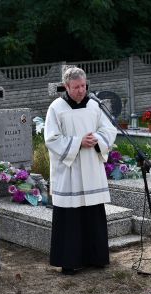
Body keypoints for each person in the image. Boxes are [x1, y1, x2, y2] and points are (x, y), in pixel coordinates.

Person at [44, 67, 117, 275]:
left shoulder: (94, 105)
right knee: (70, 218)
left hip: (91, 168)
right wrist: (77, 142)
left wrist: (98, 140)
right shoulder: (56, 108)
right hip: (69, 171)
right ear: (66, 86)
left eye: (83, 86)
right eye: (76, 87)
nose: (80, 91)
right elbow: (51, 139)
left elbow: (109, 129)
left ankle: (96, 257)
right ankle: (69, 261)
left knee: (93, 214)